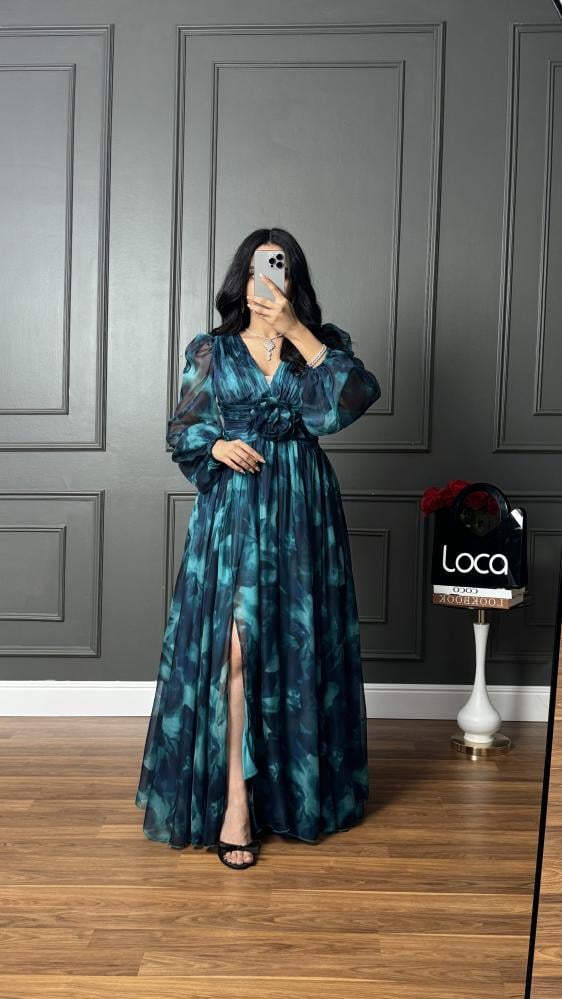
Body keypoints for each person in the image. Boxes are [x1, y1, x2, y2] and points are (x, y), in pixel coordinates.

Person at [135, 227, 382, 870]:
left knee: (293, 652)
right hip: (235, 509)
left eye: (276, 270)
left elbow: (353, 400)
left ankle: (288, 797)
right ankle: (236, 804)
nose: (263, 282)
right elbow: (182, 429)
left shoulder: (323, 346)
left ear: (293, 280)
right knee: (235, 652)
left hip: (303, 512)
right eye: (252, 271)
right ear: (238, 281)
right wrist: (216, 445)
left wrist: (297, 329)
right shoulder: (212, 349)